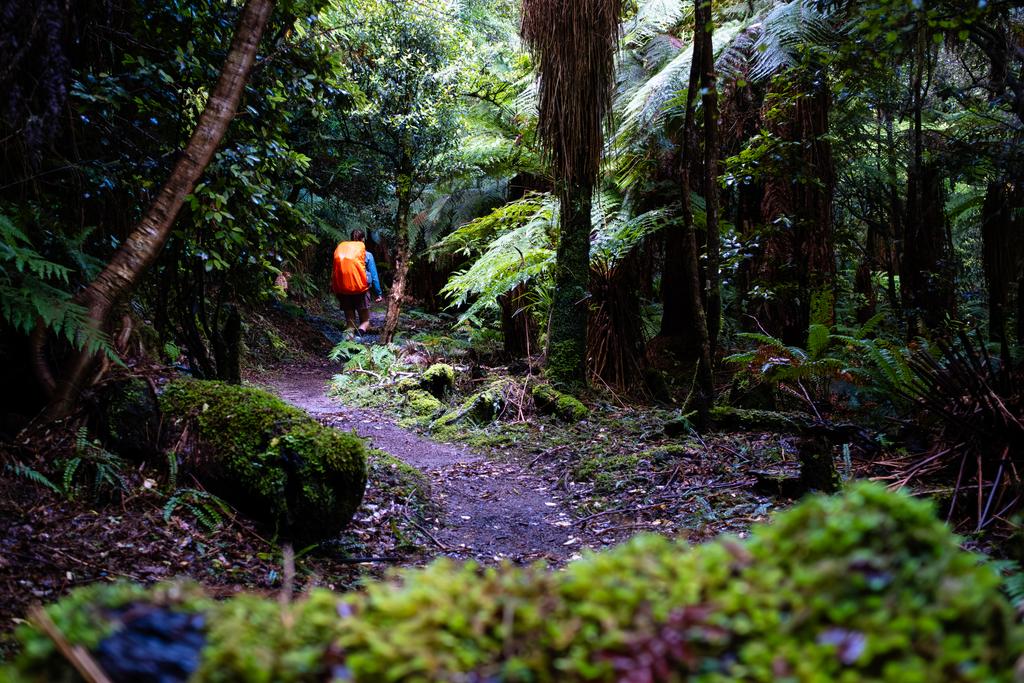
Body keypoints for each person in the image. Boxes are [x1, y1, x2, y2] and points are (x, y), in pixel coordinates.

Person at [332, 229, 383, 333]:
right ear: (363, 239)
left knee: (350, 324)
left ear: (351, 239)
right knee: (365, 321)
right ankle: (360, 337)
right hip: (361, 291)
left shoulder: (342, 254)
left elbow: (334, 272)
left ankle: (348, 340)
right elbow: (374, 276)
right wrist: (379, 294)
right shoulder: (367, 255)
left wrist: (335, 290)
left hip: (344, 291)